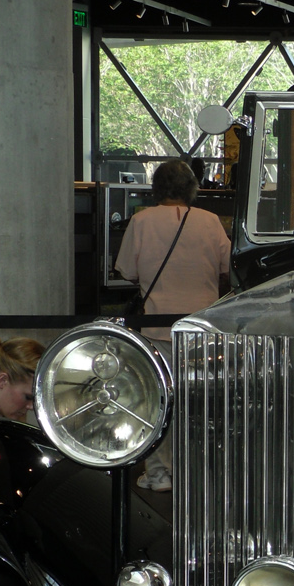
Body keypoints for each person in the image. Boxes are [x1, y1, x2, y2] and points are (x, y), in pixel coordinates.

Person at [115, 158, 232, 491]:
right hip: (203, 331)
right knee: (201, 404)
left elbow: (127, 271)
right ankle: (199, 473)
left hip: (156, 330)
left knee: (157, 403)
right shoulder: (210, 222)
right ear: (191, 189)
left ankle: (159, 473)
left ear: (156, 189)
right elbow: (226, 268)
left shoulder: (141, 221)